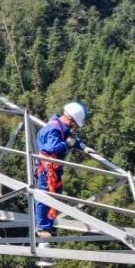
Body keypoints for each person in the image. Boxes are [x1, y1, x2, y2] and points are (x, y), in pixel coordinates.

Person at [35, 101, 88, 237]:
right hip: (47, 168)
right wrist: (67, 144)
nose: (74, 126)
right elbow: (53, 147)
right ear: (70, 118)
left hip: (54, 167)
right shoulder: (54, 129)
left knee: (56, 194)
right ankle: (42, 227)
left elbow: (70, 137)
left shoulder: (61, 126)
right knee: (45, 195)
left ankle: (49, 224)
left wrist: (81, 146)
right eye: (75, 123)